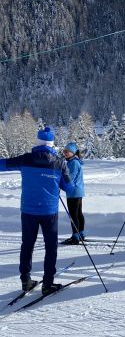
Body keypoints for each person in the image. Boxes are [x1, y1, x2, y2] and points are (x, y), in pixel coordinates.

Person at [0, 126, 74, 295]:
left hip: (28, 211)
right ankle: (48, 284)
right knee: (50, 247)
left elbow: (3, 165)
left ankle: (25, 281)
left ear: (38, 142)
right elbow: (69, 188)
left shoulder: (26, 159)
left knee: (27, 245)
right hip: (49, 212)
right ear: (52, 144)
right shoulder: (60, 163)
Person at [61, 142, 85, 245]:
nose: (65, 153)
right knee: (78, 213)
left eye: (67, 151)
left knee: (74, 215)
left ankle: (75, 237)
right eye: (64, 151)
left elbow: (70, 178)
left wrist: (59, 182)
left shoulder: (73, 163)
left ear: (73, 153)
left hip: (73, 192)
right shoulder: (73, 162)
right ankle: (80, 234)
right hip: (77, 191)